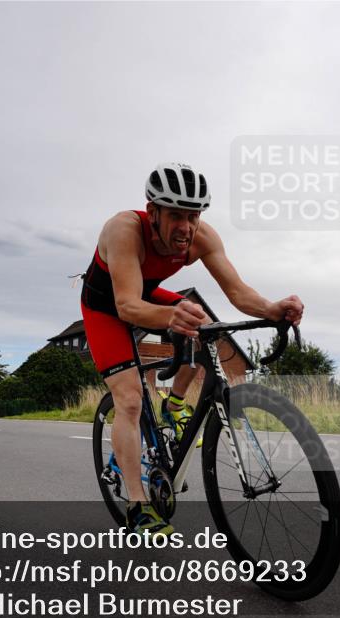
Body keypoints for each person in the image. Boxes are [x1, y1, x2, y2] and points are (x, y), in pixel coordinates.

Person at [80, 162, 303, 539]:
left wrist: (271, 308)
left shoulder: (203, 237)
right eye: (175, 216)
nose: (186, 226)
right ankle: (138, 505)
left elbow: (237, 291)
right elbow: (127, 307)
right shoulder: (123, 230)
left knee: (205, 327)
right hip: (108, 304)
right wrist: (172, 316)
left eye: (193, 215)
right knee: (131, 400)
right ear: (153, 213)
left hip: (146, 293)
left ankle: (175, 405)